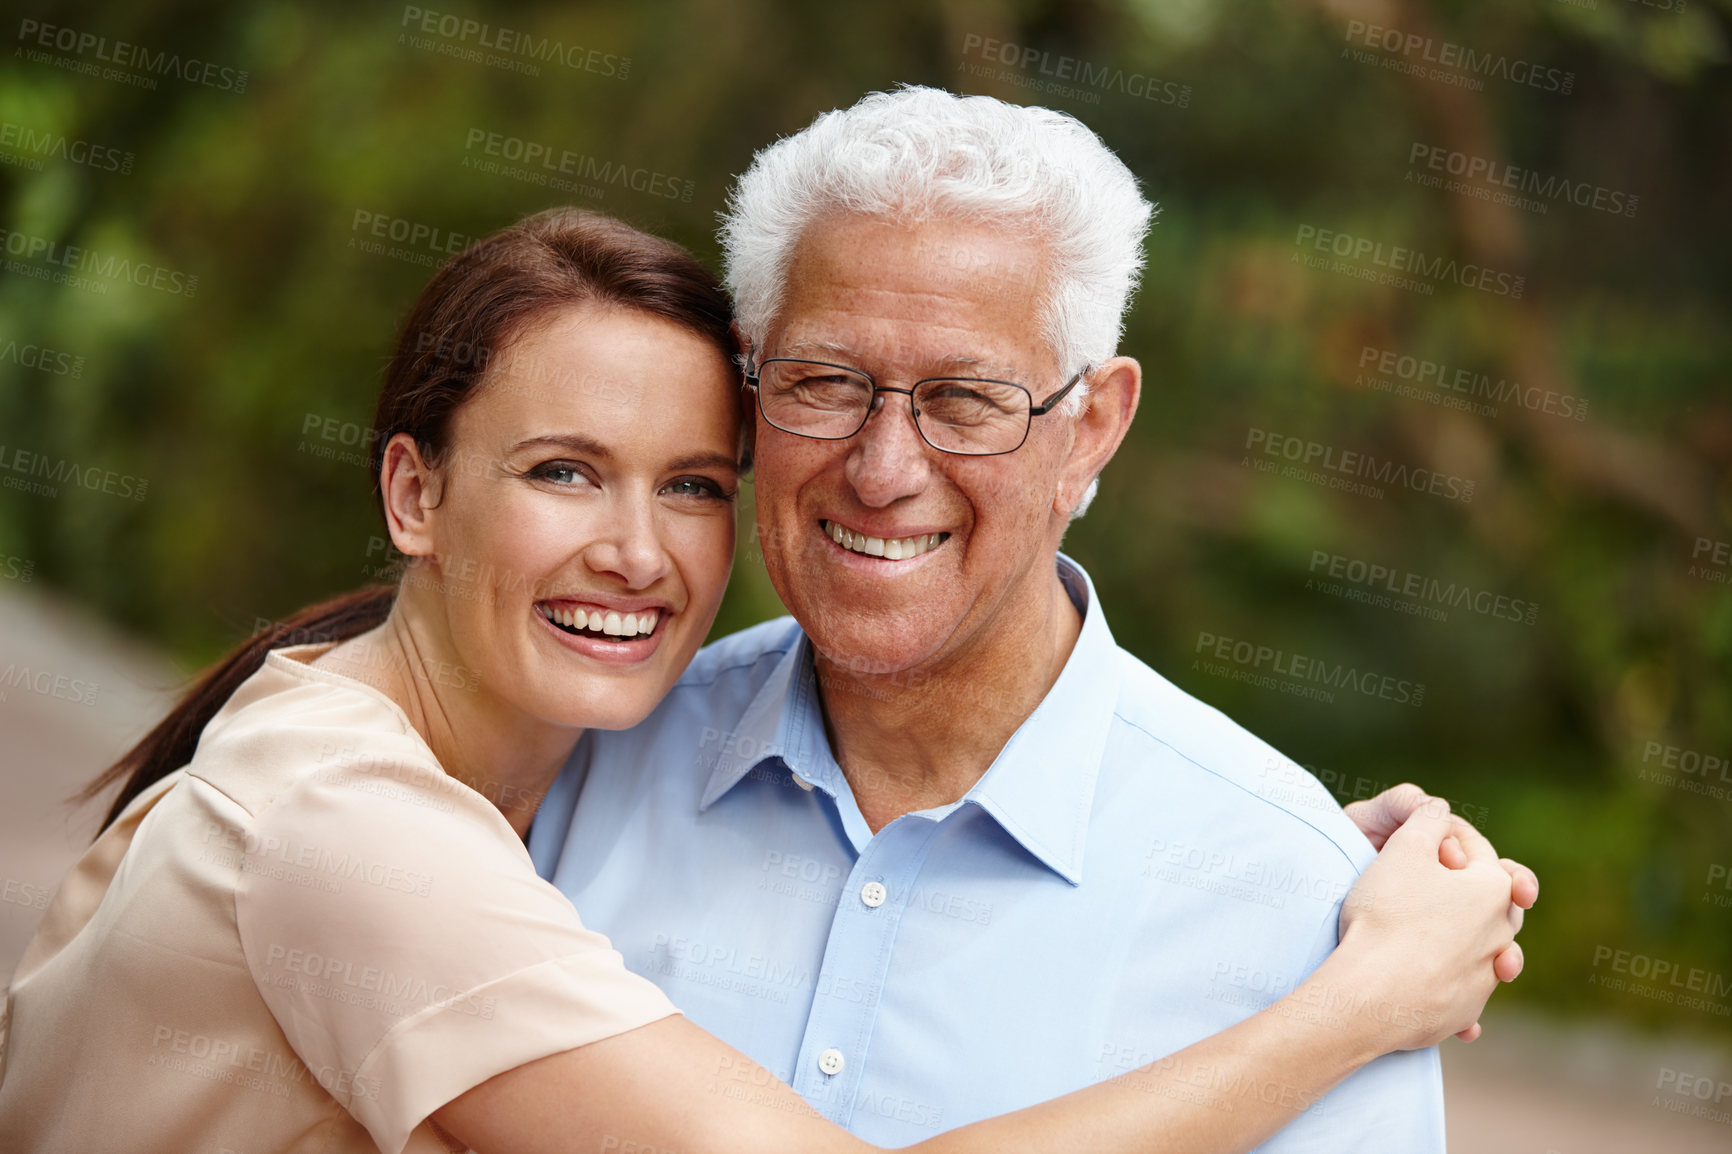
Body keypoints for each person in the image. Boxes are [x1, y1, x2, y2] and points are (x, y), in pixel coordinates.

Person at [0, 208, 1519, 1154]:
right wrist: (1356, 1001)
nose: (637, 552)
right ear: (413, 495)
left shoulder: (435, 752)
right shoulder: (350, 827)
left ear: (1090, 426)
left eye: (693, 485)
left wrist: (1247, 840)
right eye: (562, 471)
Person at [527, 87, 1536, 1151]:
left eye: (966, 399)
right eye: (825, 380)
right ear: (746, 384)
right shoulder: (565, 766)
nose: (882, 469)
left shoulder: (1299, 904)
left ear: (1092, 427)